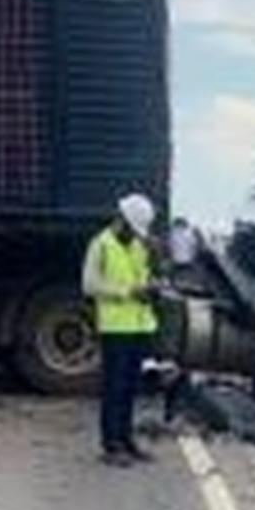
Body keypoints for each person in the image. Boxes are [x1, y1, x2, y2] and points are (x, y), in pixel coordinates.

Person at [82, 193, 160, 466]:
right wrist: (127, 292)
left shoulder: (139, 246)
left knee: (130, 388)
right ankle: (111, 444)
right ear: (122, 221)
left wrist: (152, 286)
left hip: (140, 325)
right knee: (114, 388)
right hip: (115, 328)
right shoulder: (100, 244)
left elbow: (144, 278)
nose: (135, 234)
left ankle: (126, 439)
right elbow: (89, 285)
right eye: (132, 228)